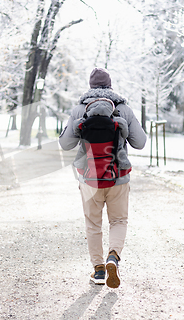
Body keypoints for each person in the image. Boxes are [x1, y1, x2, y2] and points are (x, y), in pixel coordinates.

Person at [59, 67, 146, 288]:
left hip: (89, 178)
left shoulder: (80, 109)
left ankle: (98, 271)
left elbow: (65, 144)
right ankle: (113, 258)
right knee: (118, 221)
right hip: (118, 176)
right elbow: (140, 142)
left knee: (93, 224)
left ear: (90, 86)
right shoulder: (123, 108)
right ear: (110, 86)